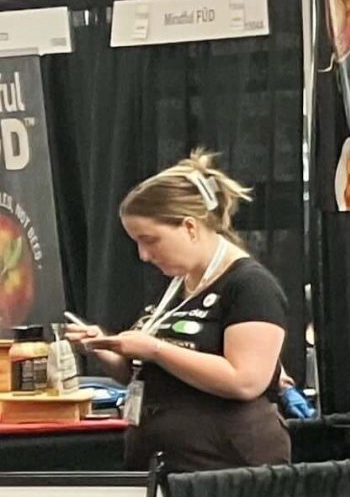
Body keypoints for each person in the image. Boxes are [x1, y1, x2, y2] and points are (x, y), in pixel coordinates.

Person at [71, 152, 291, 471]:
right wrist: (107, 347)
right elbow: (147, 375)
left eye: (150, 240)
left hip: (224, 464)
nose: (144, 255)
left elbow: (245, 380)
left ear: (189, 227)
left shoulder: (250, 286)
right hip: (163, 458)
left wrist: (157, 349)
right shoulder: (179, 286)